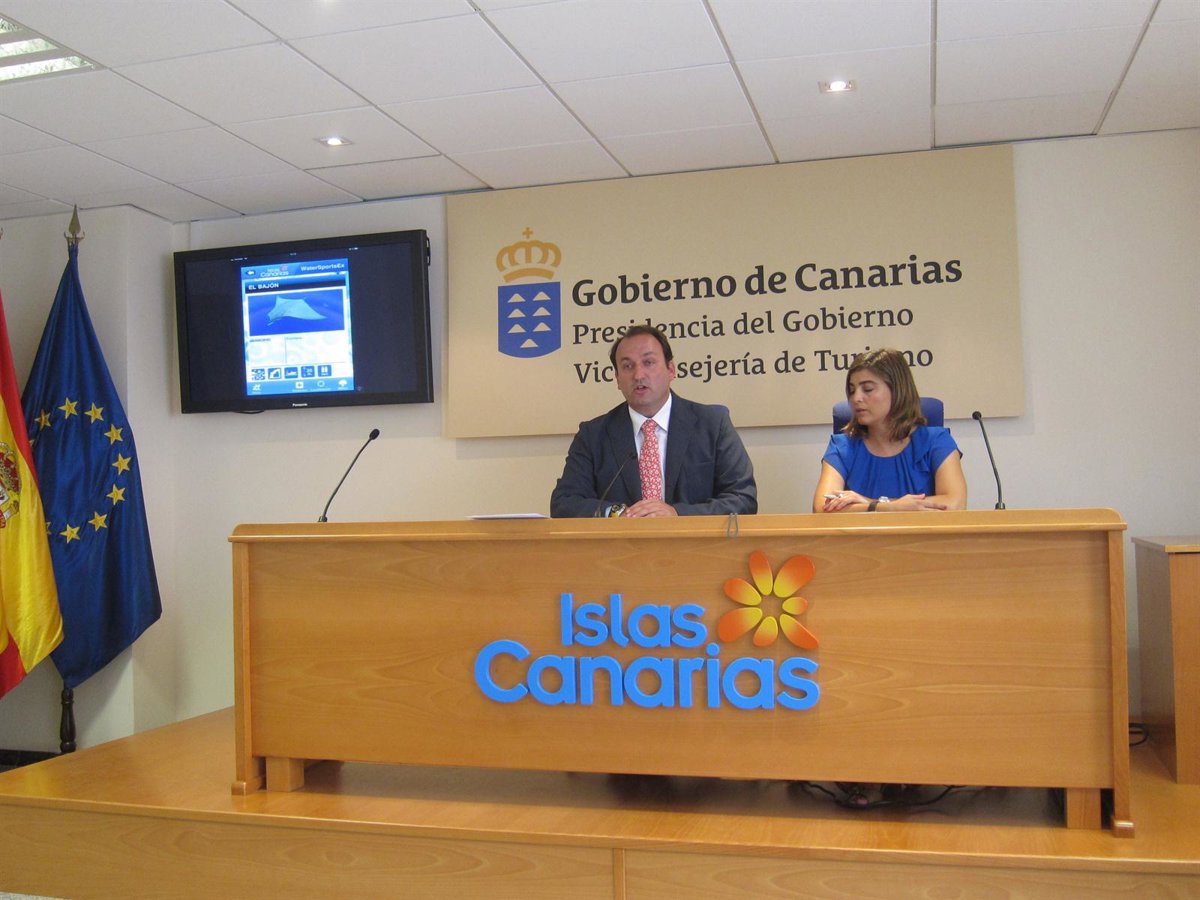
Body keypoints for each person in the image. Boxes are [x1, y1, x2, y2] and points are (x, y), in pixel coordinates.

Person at [551, 325, 757, 518]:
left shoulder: (713, 424)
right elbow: (564, 502)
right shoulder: (593, 435)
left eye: (648, 362)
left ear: (671, 370)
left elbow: (743, 498)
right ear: (617, 378)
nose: (638, 375)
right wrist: (620, 513)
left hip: (693, 543)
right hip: (621, 544)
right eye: (627, 366)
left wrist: (677, 514)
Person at [814, 348, 966, 513]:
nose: (856, 398)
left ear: (897, 391)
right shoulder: (842, 446)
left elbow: (955, 504)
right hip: (863, 532)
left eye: (868, 389)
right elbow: (822, 508)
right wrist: (890, 507)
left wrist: (873, 504)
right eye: (851, 390)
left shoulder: (936, 441)